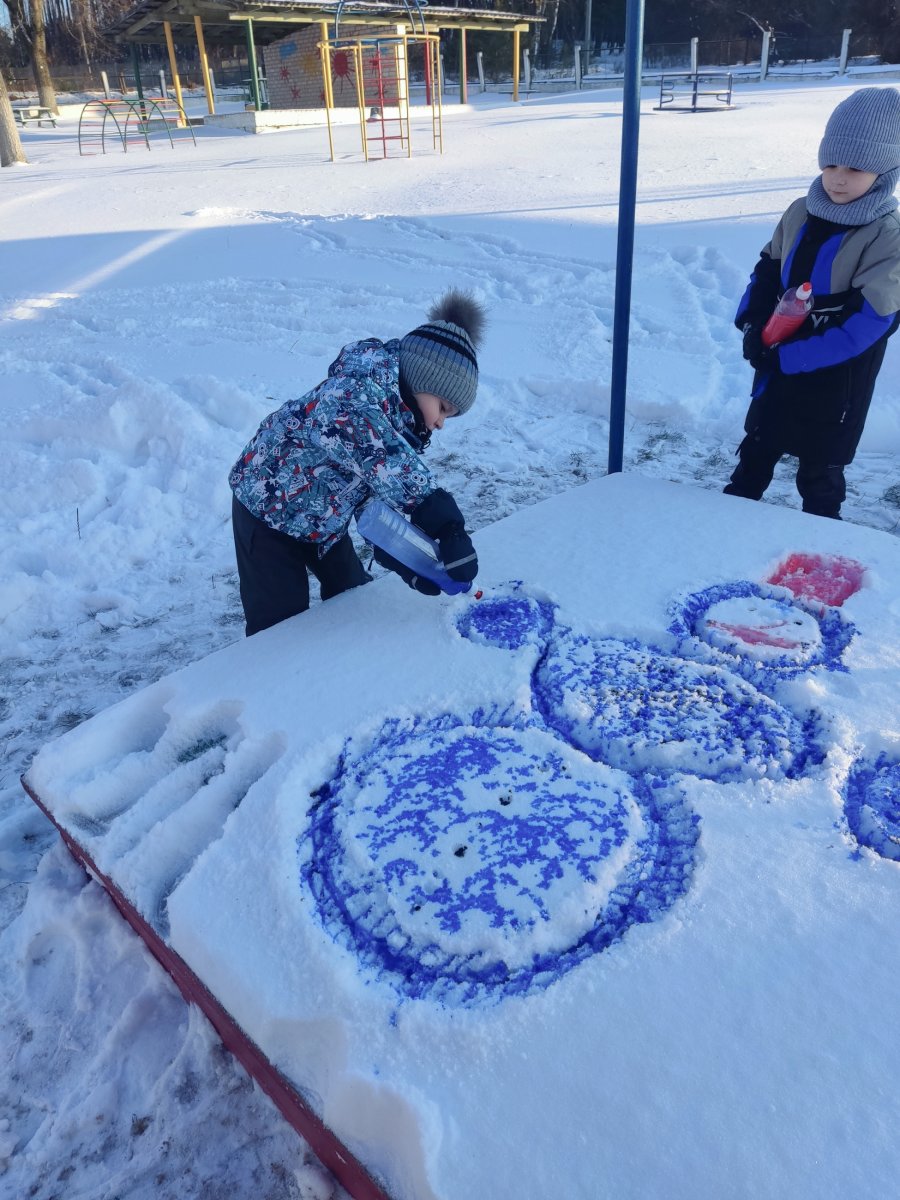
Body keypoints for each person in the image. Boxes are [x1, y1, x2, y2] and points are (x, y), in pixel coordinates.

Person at [229, 290, 485, 635]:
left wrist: (403, 554)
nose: (440, 422)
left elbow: (374, 489)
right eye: (443, 408)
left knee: (352, 594)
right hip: (267, 515)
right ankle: (270, 684)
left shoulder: (398, 418)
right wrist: (445, 523)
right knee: (280, 625)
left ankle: (348, 676)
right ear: (423, 378)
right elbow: (385, 461)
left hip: (323, 517)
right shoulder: (351, 396)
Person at [724, 86, 900, 519]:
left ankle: (822, 540)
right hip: (777, 358)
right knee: (756, 452)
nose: (839, 177)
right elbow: (767, 270)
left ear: (886, 170)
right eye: (830, 163)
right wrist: (752, 325)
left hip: (835, 378)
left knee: (819, 473)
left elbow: (871, 322)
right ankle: (724, 525)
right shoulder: (800, 211)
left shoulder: (885, 234)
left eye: (855, 167)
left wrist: (792, 357)